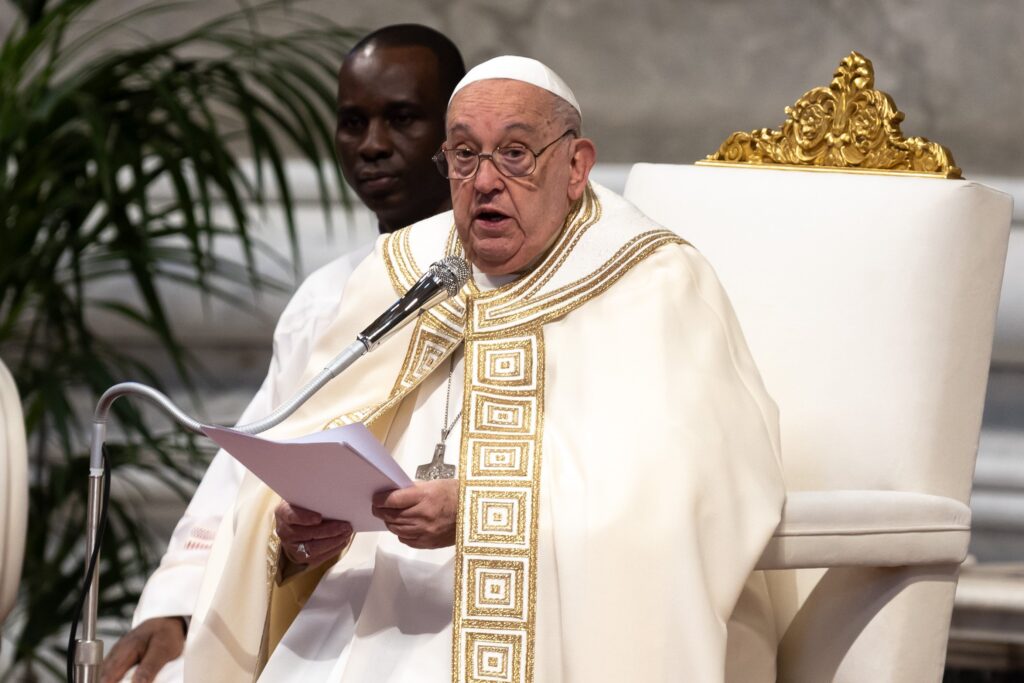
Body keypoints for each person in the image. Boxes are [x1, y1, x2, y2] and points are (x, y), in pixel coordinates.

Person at [181, 55, 786, 682]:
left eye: (516, 154)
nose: (485, 181)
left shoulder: (653, 281)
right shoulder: (405, 270)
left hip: (555, 620)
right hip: (365, 612)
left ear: (576, 165)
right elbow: (292, 472)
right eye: (465, 156)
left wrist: (478, 513)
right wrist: (301, 540)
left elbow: (693, 486)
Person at [100, 25, 466, 683]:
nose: (372, 145)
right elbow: (249, 465)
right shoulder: (325, 296)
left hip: (447, 600)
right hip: (321, 588)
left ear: (455, 135)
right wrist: (179, 606)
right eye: (352, 122)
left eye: (402, 118)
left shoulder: (505, 288)